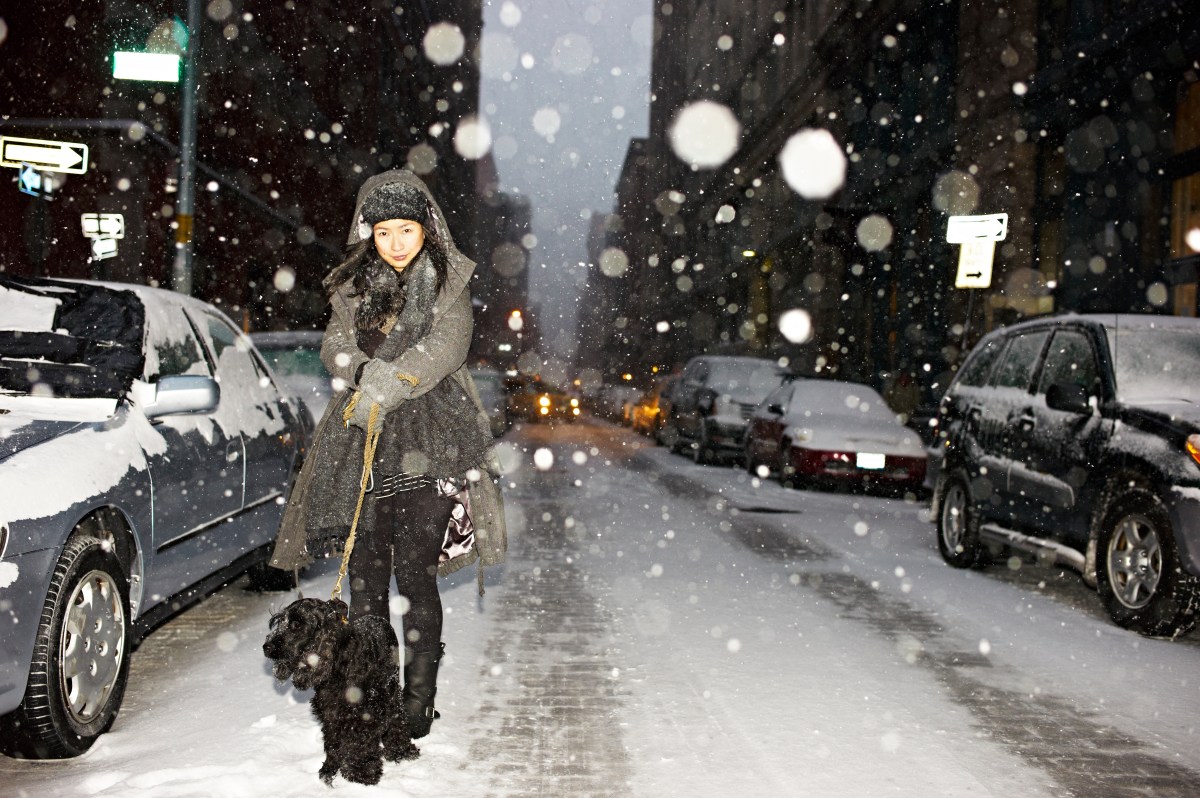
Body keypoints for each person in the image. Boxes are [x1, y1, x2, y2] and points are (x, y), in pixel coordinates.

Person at [270, 169, 507, 739]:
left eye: (406, 229)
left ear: (425, 229)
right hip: (360, 441)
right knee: (365, 580)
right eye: (384, 232)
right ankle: (370, 694)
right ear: (368, 232)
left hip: (431, 437)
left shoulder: (449, 282)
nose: (396, 242)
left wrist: (388, 382)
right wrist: (360, 371)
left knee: (416, 578)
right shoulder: (351, 285)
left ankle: (417, 703)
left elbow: (446, 349)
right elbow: (335, 346)